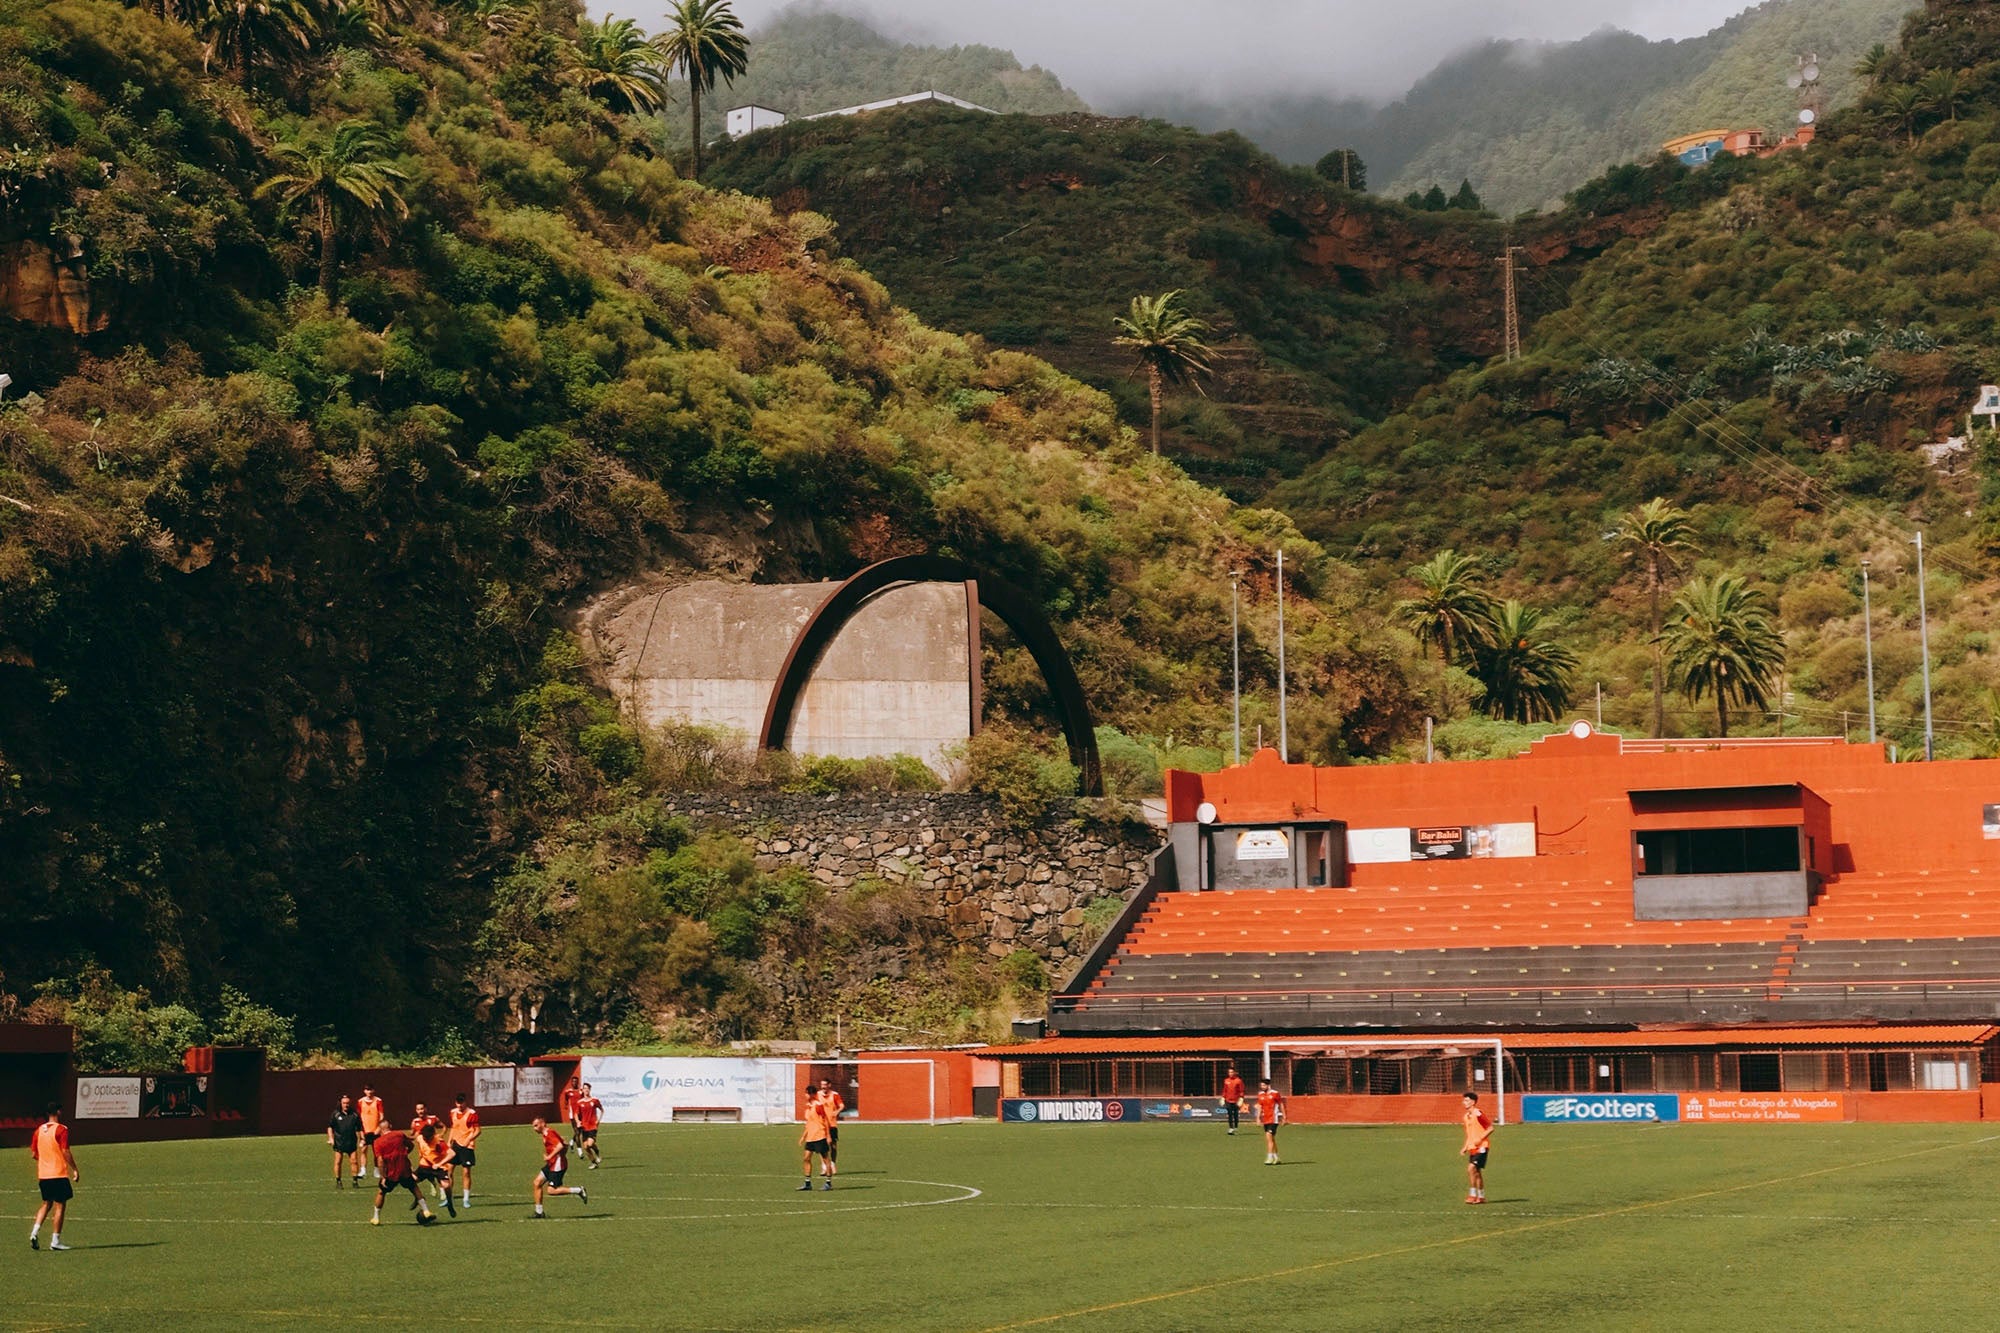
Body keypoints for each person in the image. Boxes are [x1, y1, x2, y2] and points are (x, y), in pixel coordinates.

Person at [28, 1102, 78, 1251]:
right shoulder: (61, 1130)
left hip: (43, 1174)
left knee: (46, 1203)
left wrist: (45, 1160)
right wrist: (75, 1169)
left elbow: (33, 1154)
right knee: (60, 1205)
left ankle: (34, 1232)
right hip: (58, 1173)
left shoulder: (38, 1131)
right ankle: (55, 1241)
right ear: (58, 1112)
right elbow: (65, 1151)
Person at [370, 1122, 437, 1226]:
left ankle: (376, 1217)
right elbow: (411, 1146)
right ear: (390, 1127)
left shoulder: (377, 1142)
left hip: (391, 1172)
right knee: (414, 1187)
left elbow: (380, 1160)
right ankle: (426, 1210)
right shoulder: (399, 1134)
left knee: (381, 1192)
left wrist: (383, 1176)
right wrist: (403, 1155)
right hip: (404, 1169)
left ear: (380, 1129)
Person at [529, 1117, 587, 1217]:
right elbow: (564, 1143)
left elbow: (560, 1145)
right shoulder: (547, 1133)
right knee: (537, 1183)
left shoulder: (549, 1133)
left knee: (551, 1190)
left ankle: (578, 1190)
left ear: (543, 1123)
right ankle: (539, 1212)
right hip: (552, 1163)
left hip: (557, 1164)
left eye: (536, 1125)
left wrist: (549, 1156)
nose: (534, 1128)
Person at [414, 1124, 458, 1217]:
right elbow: (420, 1147)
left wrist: (439, 1164)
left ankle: (450, 1203)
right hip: (425, 1166)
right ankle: (418, 1198)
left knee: (446, 1186)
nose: (426, 1140)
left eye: (428, 1138)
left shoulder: (439, 1143)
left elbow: (452, 1154)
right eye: (425, 1138)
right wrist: (421, 1157)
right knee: (411, 1182)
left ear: (433, 1136)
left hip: (438, 1167)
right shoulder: (420, 1138)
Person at [447, 1092, 480, 1209]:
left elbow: (477, 1131)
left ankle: (466, 1199)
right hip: (455, 1145)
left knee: (466, 1172)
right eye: (458, 1103)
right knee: (449, 1171)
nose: (460, 1105)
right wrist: (449, 1141)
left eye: (462, 1103)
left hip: (467, 1147)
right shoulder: (452, 1112)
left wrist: (468, 1140)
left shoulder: (472, 1114)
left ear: (465, 1102)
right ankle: (448, 1198)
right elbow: (453, 1127)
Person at [798, 1092, 835, 1191]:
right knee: (806, 1158)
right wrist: (803, 1136)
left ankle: (828, 1183)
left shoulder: (818, 1106)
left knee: (826, 1159)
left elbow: (826, 1120)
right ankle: (807, 1183)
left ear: (811, 1095)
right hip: (810, 1137)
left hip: (820, 1136)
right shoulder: (808, 1107)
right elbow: (809, 1123)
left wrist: (828, 1135)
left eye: (806, 1094)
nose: (805, 1096)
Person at [1461, 1092, 1493, 1205]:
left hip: (1482, 1147)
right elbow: (1469, 1134)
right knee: (1477, 1172)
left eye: (1466, 1100)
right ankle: (1481, 1196)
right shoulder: (1466, 1117)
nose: (1464, 1102)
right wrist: (1465, 1147)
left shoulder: (1478, 1114)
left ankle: (1472, 1194)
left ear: (1473, 1102)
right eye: (1464, 1100)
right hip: (1472, 1148)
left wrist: (1480, 1138)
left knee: (1471, 1169)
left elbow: (1490, 1128)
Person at [328, 1094, 364, 1189]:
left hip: (351, 1141)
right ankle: (338, 1181)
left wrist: (362, 1139)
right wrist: (331, 1138)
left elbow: (360, 1128)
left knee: (354, 1161)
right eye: (344, 1103)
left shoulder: (354, 1114)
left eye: (347, 1103)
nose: (346, 1105)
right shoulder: (335, 1114)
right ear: (341, 1103)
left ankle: (355, 1181)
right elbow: (330, 1127)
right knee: (338, 1161)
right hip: (339, 1142)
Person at [814, 1078, 845, 1181]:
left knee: (833, 1146)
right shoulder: (817, 1094)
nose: (823, 1087)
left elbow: (841, 1105)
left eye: (825, 1085)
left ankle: (833, 1164)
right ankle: (824, 1167)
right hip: (821, 1124)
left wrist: (837, 1111)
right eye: (821, 1085)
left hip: (832, 1124)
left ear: (829, 1085)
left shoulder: (834, 1095)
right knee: (822, 1146)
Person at [357, 1084, 386, 1179]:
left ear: (373, 1090)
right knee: (363, 1150)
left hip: (375, 1131)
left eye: (370, 1090)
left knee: (376, 1152)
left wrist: (378, 1128)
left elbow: (381, 1115)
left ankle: (376, 1170)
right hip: (365, 1130)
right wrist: (361, 1131)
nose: (369, 1092)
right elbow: (359, 1117)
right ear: (364, 1091)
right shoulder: (360, 1101)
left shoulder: (378, 1101)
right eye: (367, 1090)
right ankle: (363, 1170)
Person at [573, 1083, 603, 1169]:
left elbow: (602, 1110)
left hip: (593, 1126)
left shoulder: (594, 1100)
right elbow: (576, 1114)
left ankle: (597, 1154)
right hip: (584, 1127)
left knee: (590, 1144)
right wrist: (578, 1121)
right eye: (584, 1088)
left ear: (590, 1090)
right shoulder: (580, 1102)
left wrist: (598, 1120)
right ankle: (594, 1163)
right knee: (586, 1147)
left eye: (587, 1088)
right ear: (582, 1090)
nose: (586, 1090)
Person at [1256, 1078, 1285, 1165]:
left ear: (1268, 1085)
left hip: (1274, 1119)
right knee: (1271, 1139)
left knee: (1268, 1137)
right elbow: (1260, 1106)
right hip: (1266, 1119)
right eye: (1261, 1085)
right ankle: (1276, 1157)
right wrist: (1258, 1118)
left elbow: (1281, 1104)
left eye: (1264, 1085)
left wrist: (1284, 1117)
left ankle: (1269, 1157)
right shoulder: (1260, 1095)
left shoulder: (1275, 1093)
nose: (1262, 1087)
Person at [1220, 1067, 1246, 1135]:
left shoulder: (1238, 1081)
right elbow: (1224, 1090)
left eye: (1232, 1072)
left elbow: (1241, 1090)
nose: (1230, 1074)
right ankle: (1231, 1128)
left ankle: (1236, 1127)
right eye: (1229, 1072)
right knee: (1229, 1114)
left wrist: (1241, 1098)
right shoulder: (1226, 1080)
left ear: (1234, 1073)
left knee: (1235, 1114)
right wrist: (1223, 1097)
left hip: (1236, 1100)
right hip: (1228, 1100)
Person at [560, 1075, 582, 1152]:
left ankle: (572, 1141)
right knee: (577, 1131)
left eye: (576, 1082)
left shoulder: (580, 1091)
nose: (574, 1083)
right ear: (571, 1083)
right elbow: (565, 1100)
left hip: (580, 1114)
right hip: (572, 1114)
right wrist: (566, 1106)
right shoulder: (568, 1092)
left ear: (578, 1082)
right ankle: (580, 1151)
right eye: (573, 1082)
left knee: (579, 1131)